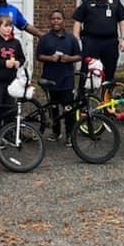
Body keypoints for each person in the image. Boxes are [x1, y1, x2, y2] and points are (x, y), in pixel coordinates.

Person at [36, 9, 82, 146]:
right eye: (53, 19)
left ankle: (70, 135)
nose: (56, 21)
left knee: (69, 109)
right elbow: (39, 56)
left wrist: (69, 58)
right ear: (50, 21)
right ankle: (56, 132)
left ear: (63, 21)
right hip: (50, 79)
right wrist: (50, 58)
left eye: (59, 18)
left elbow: (79, 55)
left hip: (67, 79)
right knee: (53, 108)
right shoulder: (45, 39)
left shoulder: (71, 38)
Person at [72, 0, 124, 80]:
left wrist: (123, 39)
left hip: (110, 42)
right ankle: (83, 95)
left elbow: (122, 21)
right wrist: (76, 41)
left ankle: (106, 95)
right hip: (91, 42)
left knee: (110, 71)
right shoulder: (86, 1)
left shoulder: (115, 0)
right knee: (87, 71)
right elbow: (77, 22)